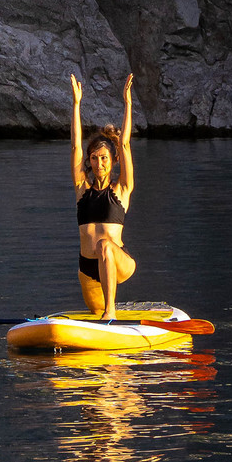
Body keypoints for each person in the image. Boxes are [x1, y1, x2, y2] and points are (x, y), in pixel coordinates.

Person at [70, 71, 136, 319]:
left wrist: (127, 104)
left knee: (104, 246)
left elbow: (126, 144)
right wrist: (76, 105)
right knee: (94, 311)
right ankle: (104, 312)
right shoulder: (81, 189)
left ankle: (111, 313)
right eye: (95, 159)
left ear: (113, 161)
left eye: (104, 158)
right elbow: (76, 146)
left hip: (118, 262)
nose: (99, 164)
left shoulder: (122, 190)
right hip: (87, 269)